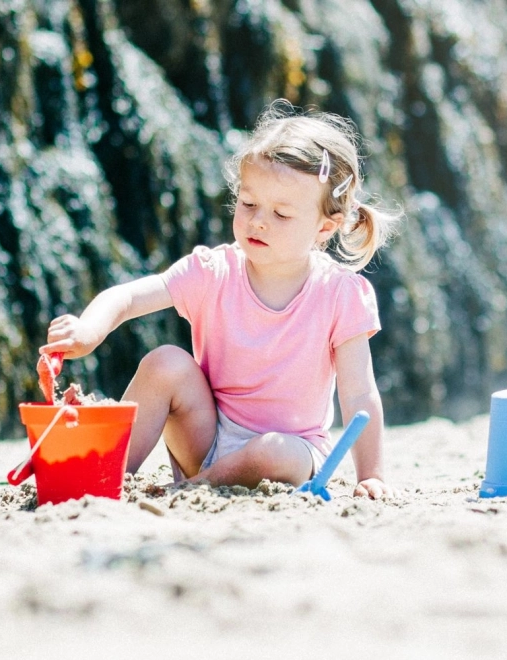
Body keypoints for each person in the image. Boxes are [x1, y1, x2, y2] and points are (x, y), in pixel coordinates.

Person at [40, 100, 400, 499]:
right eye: (248, 204)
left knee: (273, 452)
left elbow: (359, 394)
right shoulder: (213, 271)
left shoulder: (340, 294)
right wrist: (89, 331)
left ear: (324, 227)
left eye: (281, 214)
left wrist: (372, 475)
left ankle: (195, 487)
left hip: (291, 453)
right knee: (165, 362)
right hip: (206, 437)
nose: (258, 220)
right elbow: (127, 298)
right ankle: (106, 475)